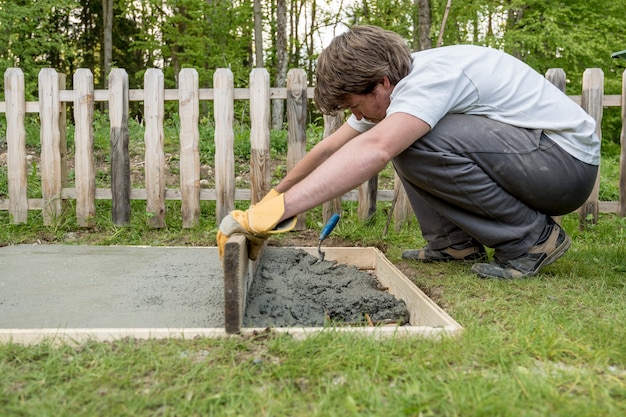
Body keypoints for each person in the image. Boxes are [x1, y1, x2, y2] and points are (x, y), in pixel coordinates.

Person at [217, 25, 600, 279]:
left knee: (407, 140)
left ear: (381, 83)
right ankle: (455, 246)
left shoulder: (430, 80)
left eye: (354, 106)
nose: (356, 116)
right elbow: (331, 147)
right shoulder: (398, 87)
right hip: (536, 159)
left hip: (563, 167)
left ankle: (532, 240)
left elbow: (376, 150)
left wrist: (279, 214)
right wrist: (272, 200)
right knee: (402, 135)